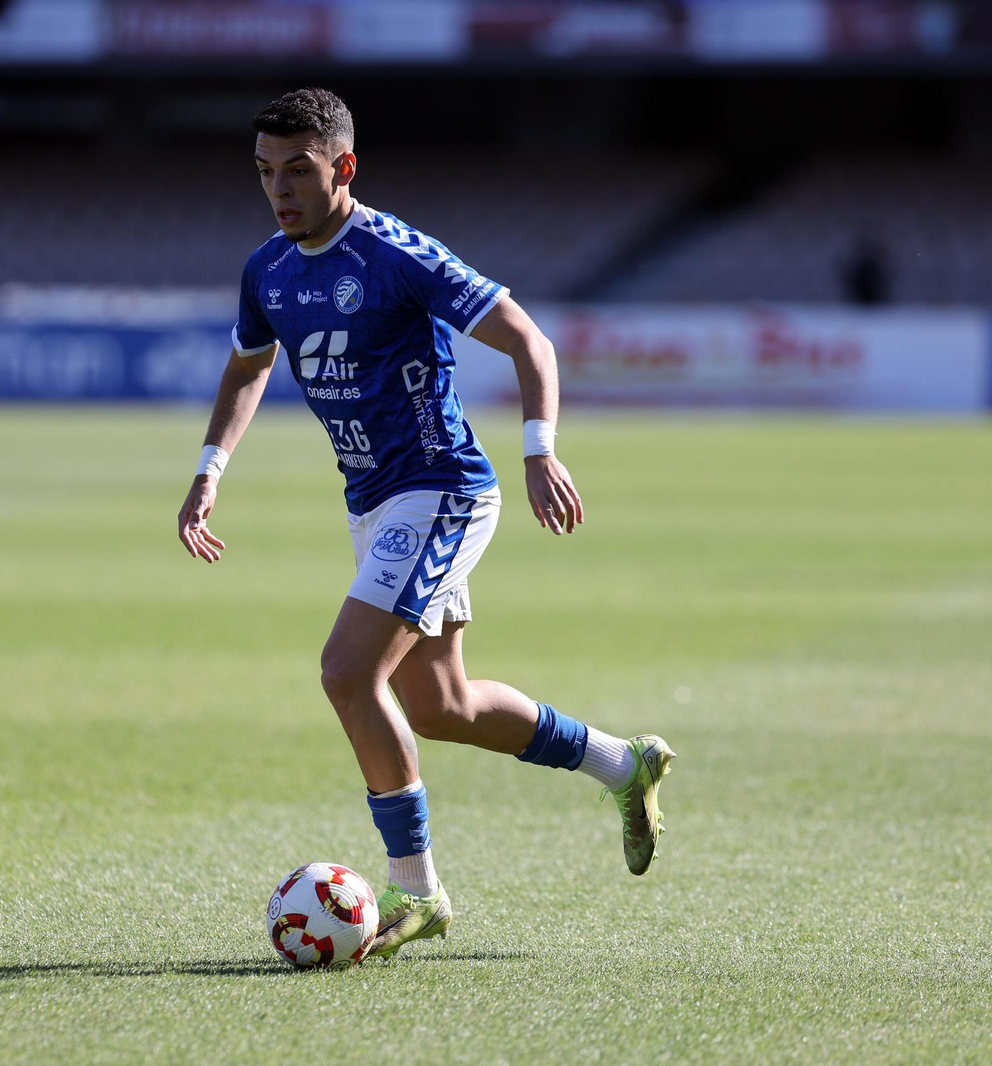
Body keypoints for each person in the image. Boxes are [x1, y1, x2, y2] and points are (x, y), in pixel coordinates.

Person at [176, 88, 675, 960]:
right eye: (265, 174)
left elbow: (528, 337)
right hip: (372, 501)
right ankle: (621, 764)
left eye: (299, 170)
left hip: (441, 488)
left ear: (344, 167)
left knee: (345, 671)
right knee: (440, 705)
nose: (280, 191)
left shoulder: (393, 253)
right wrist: (210, 468)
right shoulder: (268, 269)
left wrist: (538, 449)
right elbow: (248, 367)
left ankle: (420, 892)